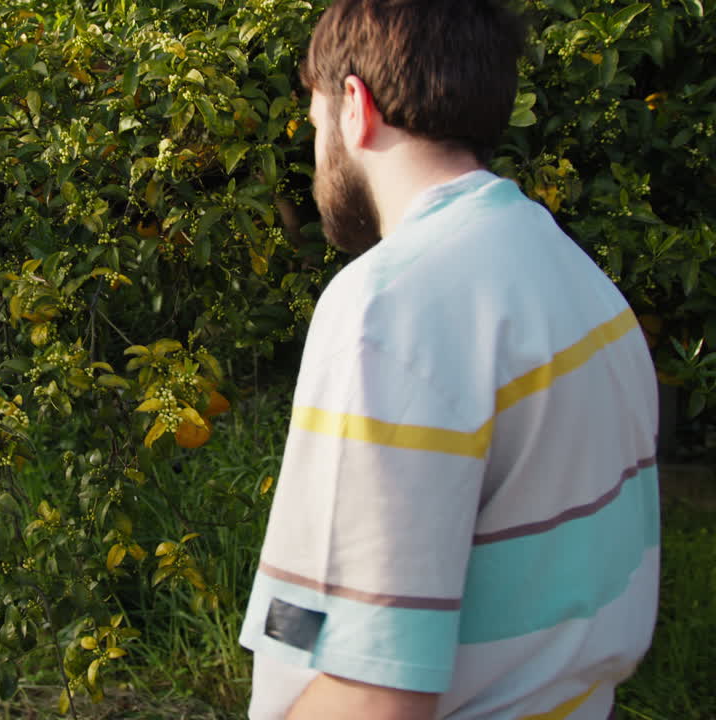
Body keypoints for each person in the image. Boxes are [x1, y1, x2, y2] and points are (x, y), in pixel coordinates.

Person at [238, 1, 660, 718]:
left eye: (314, 126)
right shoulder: (579, 280)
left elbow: (372, 691)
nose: (314, 158)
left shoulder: (387, 308)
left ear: (353, 107)